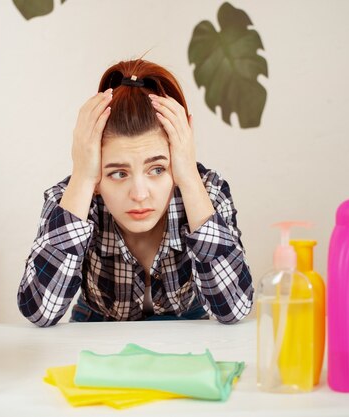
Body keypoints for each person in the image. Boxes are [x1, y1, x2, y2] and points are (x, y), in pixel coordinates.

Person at [18, 59, 253, 327]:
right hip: (97, 327)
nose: (140, 194)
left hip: (189, 327)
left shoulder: (207, 191)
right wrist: (83, 177)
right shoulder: (74, 196)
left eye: (157, 169)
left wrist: (187, 175)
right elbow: (39, 312)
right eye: (118, 173)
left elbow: (235, 309)